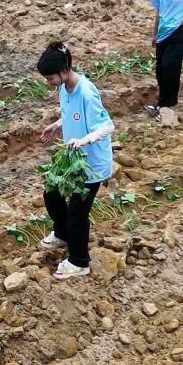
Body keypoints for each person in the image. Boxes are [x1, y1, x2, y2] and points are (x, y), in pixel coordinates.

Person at [37, 43, 115, 280]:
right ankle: (62, 234)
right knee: (52, 194)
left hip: (91, 164)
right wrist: (56, 125)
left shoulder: (87, 92)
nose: (49, 83)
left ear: (64, 70)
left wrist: (84, 140)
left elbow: (107, 126)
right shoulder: (64, 87)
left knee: (77, 214)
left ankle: (79, 262)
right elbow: (71, 114)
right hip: (72, 159)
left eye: (50, 78)